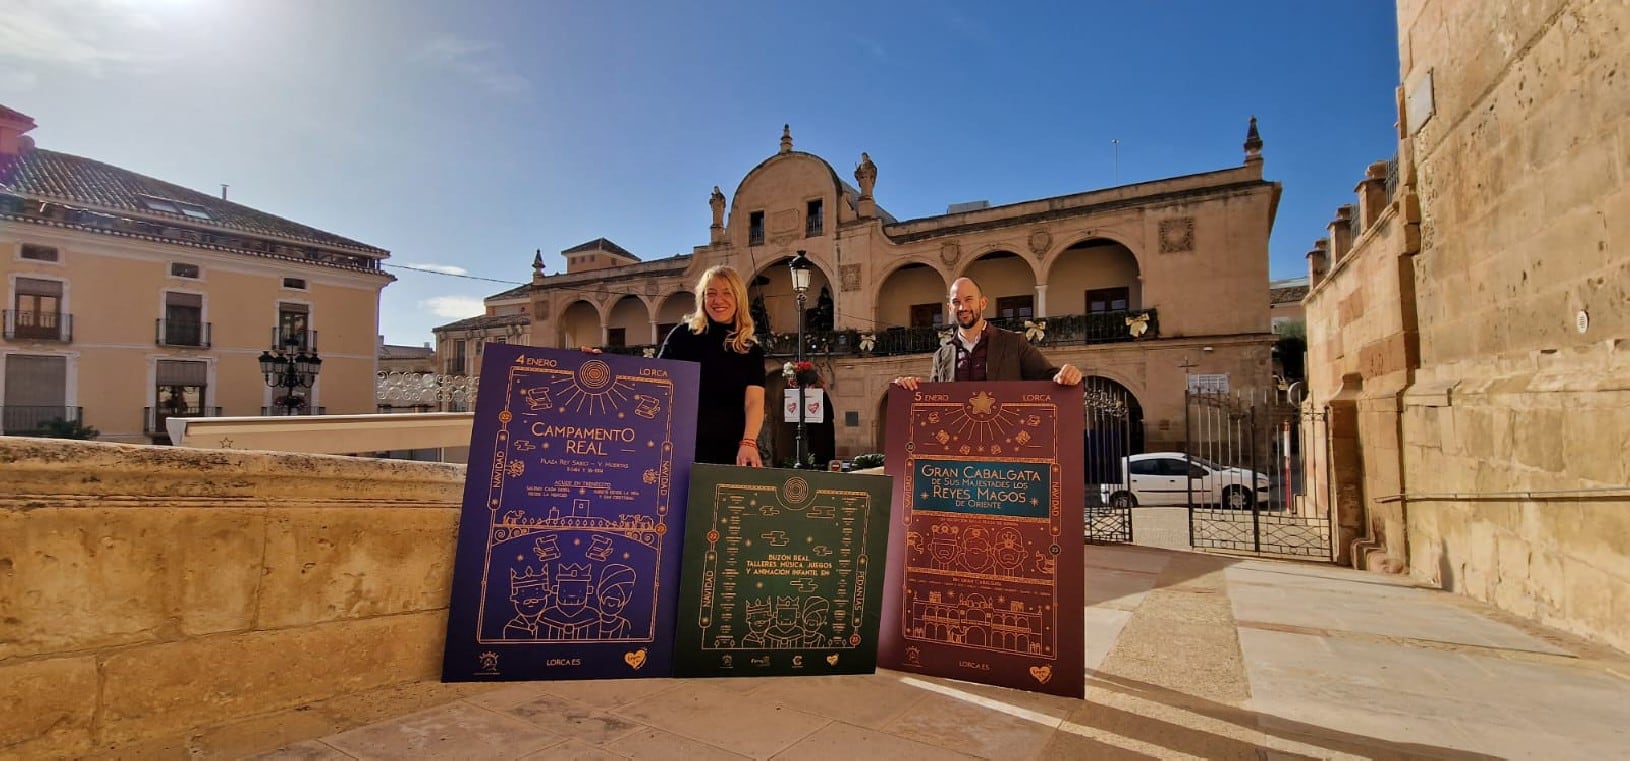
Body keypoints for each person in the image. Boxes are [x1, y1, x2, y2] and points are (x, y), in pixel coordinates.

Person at [657, 265, 766, 466]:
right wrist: (599, 364)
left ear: (739, 299)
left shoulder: (750, 350)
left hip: (729, 453)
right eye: (711, 293)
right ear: (702, 298)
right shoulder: (681, 337)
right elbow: (650, 381)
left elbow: (754, 402)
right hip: (677, 448)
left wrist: (749, 442)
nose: (718, 300)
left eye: (727, 293)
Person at [893, 277, 1083, 390]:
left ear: (982, 303)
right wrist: (908, 386)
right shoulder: (942, 356)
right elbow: (934, 401)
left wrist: (1066, 375)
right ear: (950, 308)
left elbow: (1048, 376)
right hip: (958, 448)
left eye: (969, 299)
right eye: (956, 302)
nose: (963, 307)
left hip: (1002, 447)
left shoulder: (1014, 343)